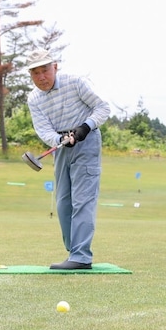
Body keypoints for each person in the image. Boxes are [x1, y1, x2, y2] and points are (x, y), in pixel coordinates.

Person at [26, 49, 111, 270]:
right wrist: (59, 138)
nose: (41, 77)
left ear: (55, 67)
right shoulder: (34, 98)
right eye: (35, 73)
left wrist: (85, 127)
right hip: (60, 146)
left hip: (87, 140)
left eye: (45, 70)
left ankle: (81, 256)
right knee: (64, 202)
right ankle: (73, 251)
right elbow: (43, 129)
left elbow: (103, 107)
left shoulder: (75, 83)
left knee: (83, 199)